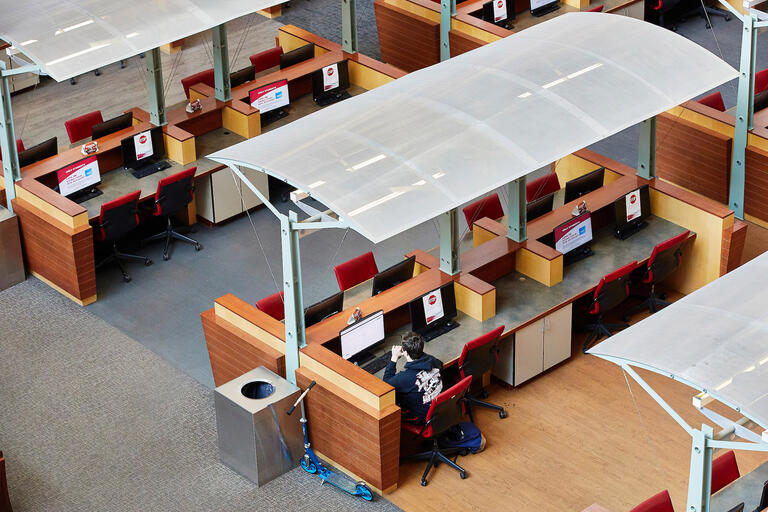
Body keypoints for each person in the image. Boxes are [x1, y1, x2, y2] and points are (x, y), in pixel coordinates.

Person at [383, 331, 443, 424]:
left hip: (421, 418)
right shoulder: (432, 360)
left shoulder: (406, 377)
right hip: (439, 410)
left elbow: (385, 385)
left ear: (405, 353)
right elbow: (440, 365)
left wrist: (394, 358)